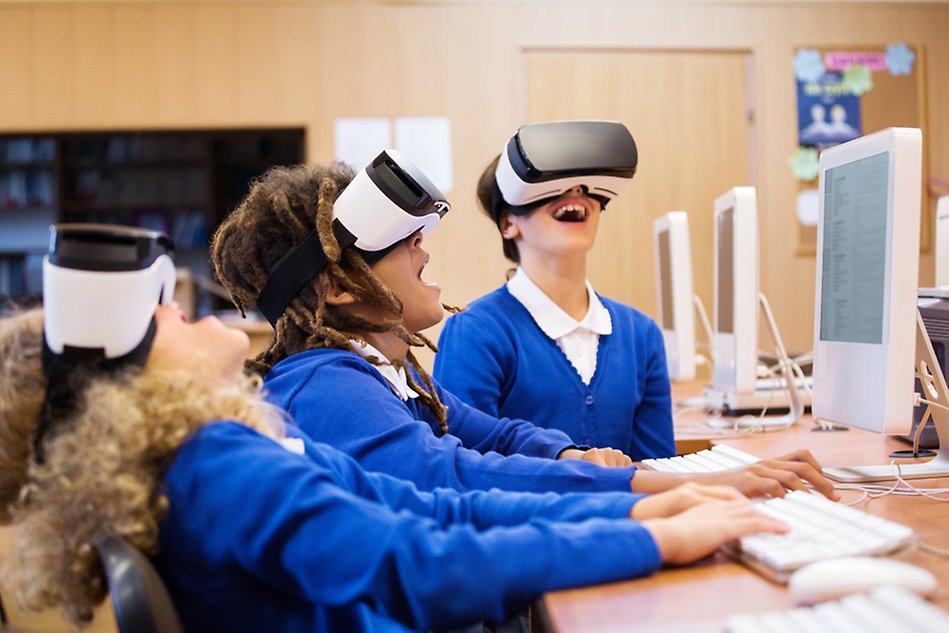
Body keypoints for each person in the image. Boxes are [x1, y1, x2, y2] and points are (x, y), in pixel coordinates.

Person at [0, 223, 788, 632]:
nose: (195, 309)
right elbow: (417, 558)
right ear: (127, 383)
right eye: (166, 312)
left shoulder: (215, 455)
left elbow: (431, 507)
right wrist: (647, 535)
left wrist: (629, 506)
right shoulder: (214, 466)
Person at [211, 151, 837, 500]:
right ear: (342, 285)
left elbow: (494, 435)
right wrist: (645, 498)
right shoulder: (323, 385)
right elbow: (452, 474)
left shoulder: (389, 377)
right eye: (405, 244)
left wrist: (571, 453)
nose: (425, 253)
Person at [434, 120, 675, 462]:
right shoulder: (475, 332)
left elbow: (660, 470)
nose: (575, 193)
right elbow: (469, 468)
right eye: (554, 186)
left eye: (584, 187)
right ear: (508, 223)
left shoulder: (641, 335)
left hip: (629, 514)